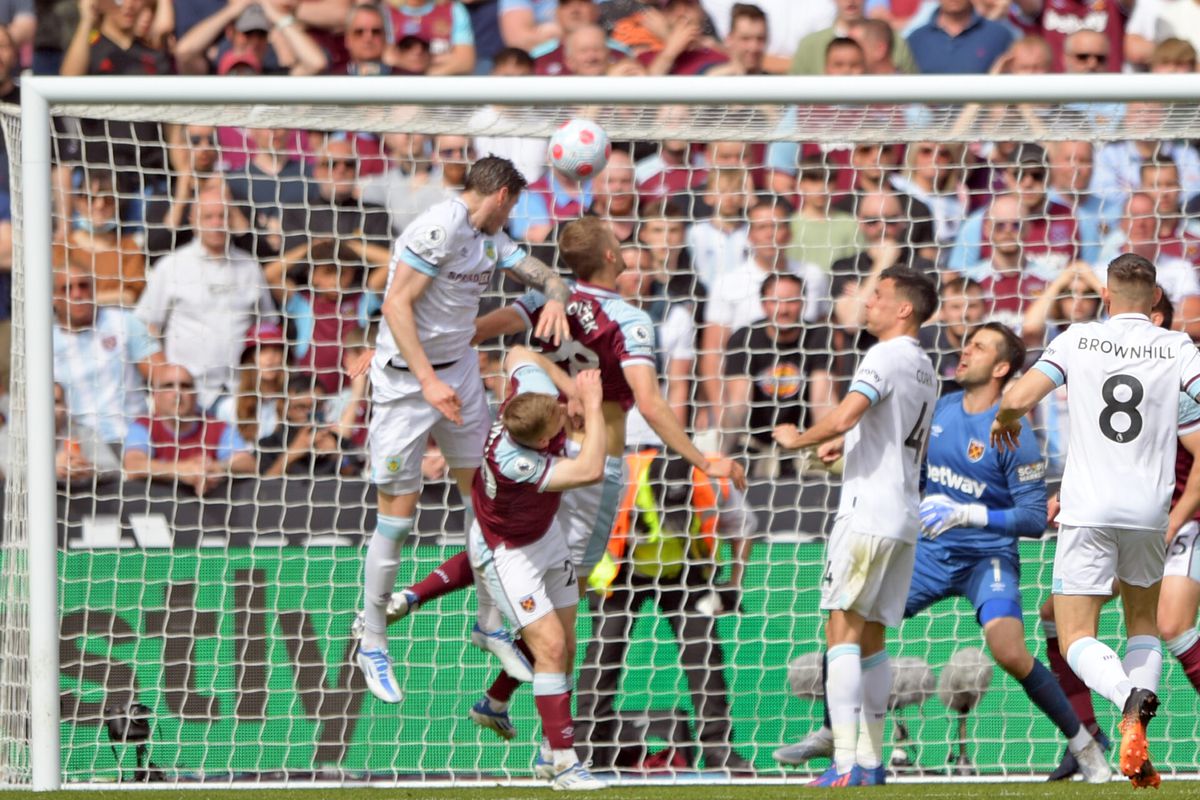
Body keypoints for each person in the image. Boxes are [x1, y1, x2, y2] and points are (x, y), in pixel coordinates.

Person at [773, 323, 1111, 784]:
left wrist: (968, 514)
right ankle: (843, 741)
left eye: (979, 346)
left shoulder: (1013, 430)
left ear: (1003, 366)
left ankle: (1085, 744)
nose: (965, 351)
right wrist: (840, 450)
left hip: (986, 559)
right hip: (929, 553)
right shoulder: (941, 408)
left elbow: (1033, 519)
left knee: (1008, 650)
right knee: (851, 624)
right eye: (967, 343)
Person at [354, 154, 571, 704]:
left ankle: (488, 623)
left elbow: (542, 275)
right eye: (515, 203)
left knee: (484, 505)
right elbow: (396, 305)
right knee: (397, 522)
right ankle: (372, 639)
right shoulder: (440, 226)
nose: (513, 213)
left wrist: (558, 300)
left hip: (462, 379)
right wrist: (428, 382)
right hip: (408, 386)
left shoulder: (488, 240)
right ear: (502, 197)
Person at [990, 253, 1200, 788]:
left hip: (1086, 507)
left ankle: (1125, 699)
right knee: (1144, 625)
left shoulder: (1078, 339)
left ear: (1106, 296)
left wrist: (1006, 419)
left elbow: (1017, 395)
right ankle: (1139, 721)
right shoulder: (1177, 346)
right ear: (1154, 300)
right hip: (1150, 511)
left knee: (1074, 630)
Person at [772, 266, 938, 787]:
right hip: (903, 514)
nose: (868, 304)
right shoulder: (925, 367)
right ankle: (869, 762)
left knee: (840, 634)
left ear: (904, 309)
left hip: (867, 512)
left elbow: (846, 414)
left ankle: (844, 763)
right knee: (872, 641)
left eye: (880, 297)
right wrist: (846, 445)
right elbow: (881, 432)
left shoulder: (883, 355)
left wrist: (797, 439)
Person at [468, 354, 607, 790]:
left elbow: (520, 355)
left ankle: (533, 739)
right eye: (558, 419)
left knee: (563, 647)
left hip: (546, 537)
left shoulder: (532, 400)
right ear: (543, 437)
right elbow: (591, 469)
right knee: (548, 647)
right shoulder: (518, 462)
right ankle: (565, 764)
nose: (563, 415)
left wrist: (568, 389)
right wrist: (594, 402)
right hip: (511, 556)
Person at [575, 449, 757, 773]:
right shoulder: (619, 481)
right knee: (605, 651)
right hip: (623, 570)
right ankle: (586, 749)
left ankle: (719, 751)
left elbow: (743, 528)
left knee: (703, 652)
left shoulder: (713, 481)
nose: (672, 522)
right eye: (666, 513)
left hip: (686, 572)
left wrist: (734, 583)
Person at [135, 187, 276, 411]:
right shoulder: (171, 266)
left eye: (222, 216)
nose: (216, 223)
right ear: (193, 220)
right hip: (186, 396)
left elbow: (268, 326)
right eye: (208, 216)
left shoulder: (250, 267)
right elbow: (142, 327)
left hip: (241, 393)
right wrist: (164, 377)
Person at [720, 273, 836, 477]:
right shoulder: (744, 338)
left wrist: (829, 443)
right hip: (756, 439)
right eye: (775, 301)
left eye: (791, 301)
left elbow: (822, 400)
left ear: (803, 303)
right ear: (763, 304)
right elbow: (738, 402)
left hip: (804, 438)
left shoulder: (819, 336)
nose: (783, 310)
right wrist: (721, 455)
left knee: (827, 472)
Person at [53, 263, 164, 447]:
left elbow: (162, 376)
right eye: (67, 288)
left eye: (83, 286)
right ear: (55, 298)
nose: (77, 294)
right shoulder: (45, 343)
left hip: (132, 436)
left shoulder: (125, 322)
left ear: (94, 290)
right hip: (79, 443)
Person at [123, 363, 257, 496]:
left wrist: (215, 468)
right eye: (169, 386)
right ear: (155, 395)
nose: (178, 393)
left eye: (185, 386)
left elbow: (248, 463)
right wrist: (181, 470)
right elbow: (133, 465)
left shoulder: (216, 427)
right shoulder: (144, 426)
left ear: (195, 394)